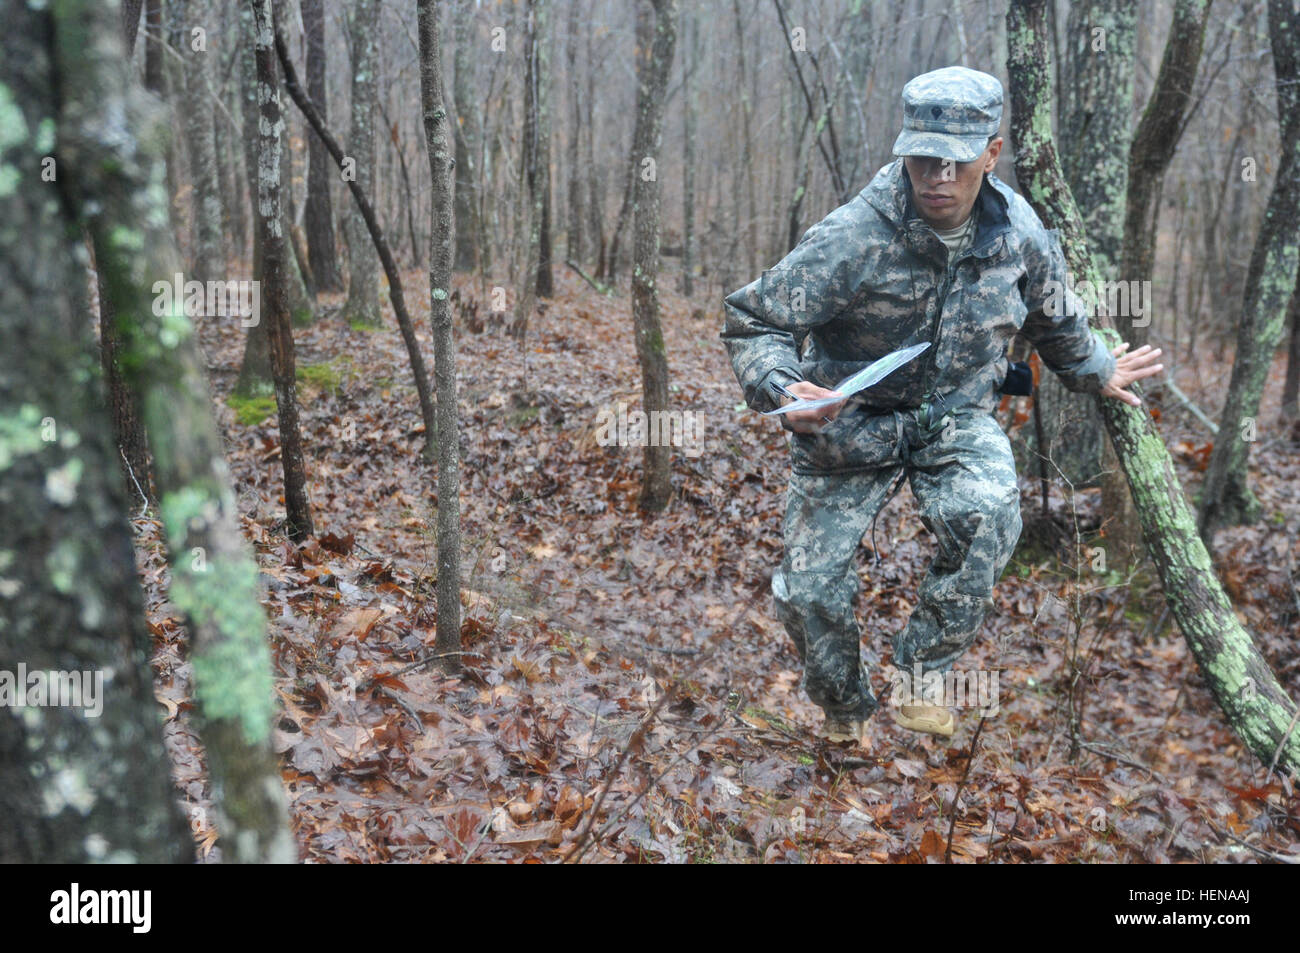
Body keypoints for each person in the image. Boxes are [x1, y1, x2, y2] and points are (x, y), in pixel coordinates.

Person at [720, 66, 1163, 747]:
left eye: (957, 160)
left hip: (954, 414)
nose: (938, 176)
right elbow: (754, 320)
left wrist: (1097, 368)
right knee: (806, 591)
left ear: (992, 152)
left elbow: (1055, 317)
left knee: (989, 511)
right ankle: (843, 711)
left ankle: (923, 673)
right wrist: (784, 392)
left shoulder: (1018, 232)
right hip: (850, 420)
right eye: (924, 157)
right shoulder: (853, 237)